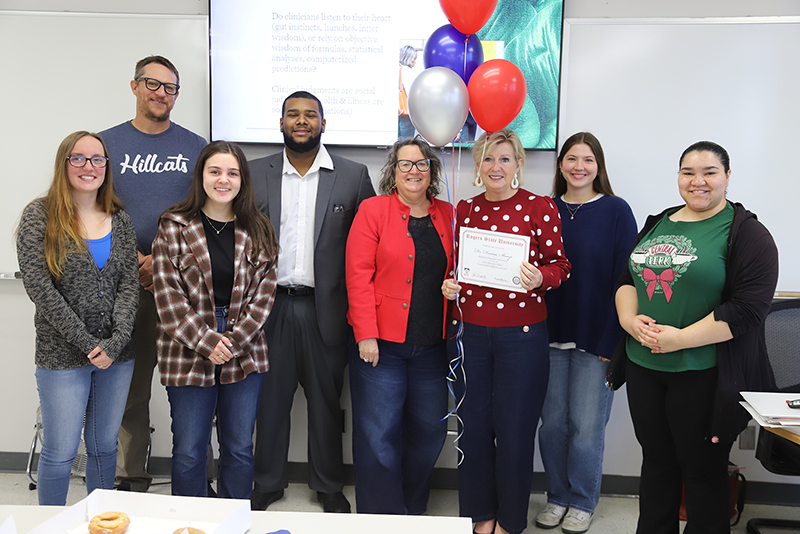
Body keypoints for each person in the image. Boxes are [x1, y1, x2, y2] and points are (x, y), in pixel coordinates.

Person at [612, 141, 778, 534]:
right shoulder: (660, 221)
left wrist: (681, 339)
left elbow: (748, 309)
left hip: (703, 372)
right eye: (688, 172)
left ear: (727, 176)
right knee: (656, 464)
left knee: (702, 472)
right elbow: (626, 279)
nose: (697, 181)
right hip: (644, 367)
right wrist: (629, 320)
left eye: (709, 172)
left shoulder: (747, 233)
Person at [250, 91, 375, 513]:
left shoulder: (353, 175)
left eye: (310, 115)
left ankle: (328, 485)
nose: (301, 121)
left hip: (327, 309)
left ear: (324, 122)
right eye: (293, 115)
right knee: (270, 400)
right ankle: (267, 482)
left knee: (326, 402)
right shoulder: (254, 173)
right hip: (270, 307)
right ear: (281, 122)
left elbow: (368, 247)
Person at [441, 129, 571, 534]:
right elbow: (457, 267)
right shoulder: (464, 210)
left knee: (515, 432)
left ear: (518, 164)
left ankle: (510, 521)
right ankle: (480, 515)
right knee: (474, 429)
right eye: (487, 159)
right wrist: (449, 284)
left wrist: (540, 278)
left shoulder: (540, 207)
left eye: (504, 159)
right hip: (471, 335)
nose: (495, 167)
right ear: (478, 165)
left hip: (523, 335)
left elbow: (561, 266)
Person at [100, 55, 207, 492]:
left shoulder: (196, 147)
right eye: (153, 84)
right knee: (131, 388)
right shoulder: (105, 144)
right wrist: (135, 262)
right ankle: (131, 477)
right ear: (134, 86)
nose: (161, 93)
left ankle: (195, 478)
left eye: (170, 88)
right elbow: (94, 209)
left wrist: (160, 259)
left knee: (194, 390)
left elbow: (205, 212)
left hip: (183, 286)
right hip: (125, 287)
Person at [16, 131, 139, 505]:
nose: (89, 167)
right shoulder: (39, 215)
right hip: (62, 357)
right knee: (61, 451)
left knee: (103, 449)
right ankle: (50, 527)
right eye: (79, 158)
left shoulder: (120, 219)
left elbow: (129, 285)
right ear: (63, 163)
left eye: (97, 159)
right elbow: (40, 289)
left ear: (107, 166)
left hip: (116, 358)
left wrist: (114, 343)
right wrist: (89, 345)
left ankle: (101, 523)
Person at [152, 141, 278, 499]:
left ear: (243, 180)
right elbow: (168, 298)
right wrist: (209, 342)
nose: (224, 180)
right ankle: (192, 522)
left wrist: (232, 343)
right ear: (201, 176)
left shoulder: (259, 228)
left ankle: (233, 519)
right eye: (215, 171)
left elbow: (263, 298)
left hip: (246, 348)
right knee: (189, 451)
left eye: (232, 173)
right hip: (187, 345)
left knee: (238, 448)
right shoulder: (174, 225)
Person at [345, 137, 454, 514]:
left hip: (432, 347)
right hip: (381, 347)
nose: (413, 171)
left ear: (432, 171)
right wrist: (366, 335)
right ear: (393, 172)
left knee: (430, 432)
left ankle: (411, 511)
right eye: (405, 165)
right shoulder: (373, 210)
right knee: (379, 436)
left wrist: (456, 285)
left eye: (421, 164)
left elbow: (462, 267)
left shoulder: (449, 214)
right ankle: (382, 518)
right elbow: (357, 276)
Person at [535, 132, 637, 533]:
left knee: (586, 428)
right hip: (546, 336)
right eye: (572, 158)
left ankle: (582, 500)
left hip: (597, 338)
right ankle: (557, 496)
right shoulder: (543, 208)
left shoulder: (616, 211)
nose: (579, 166)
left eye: (588, 159)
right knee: (554, 424)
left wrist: (613, 339)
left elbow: (626, 278)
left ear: (599, 166)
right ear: (560, 165)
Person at [398, 45, 418, 139]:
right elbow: (411, 92)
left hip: (399, 111)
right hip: (407, 113)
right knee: (407, 142)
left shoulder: (398, 69)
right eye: (413, 58)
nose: (415, 61)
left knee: (399, 141)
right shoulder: (406, 70)